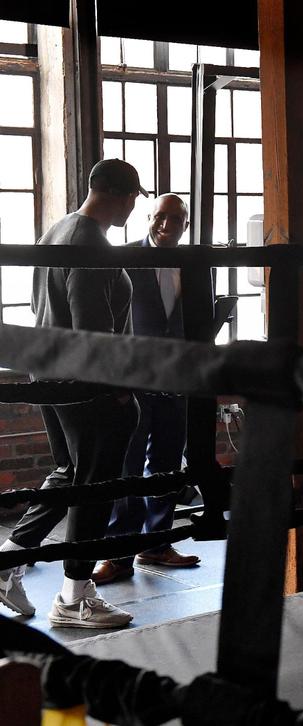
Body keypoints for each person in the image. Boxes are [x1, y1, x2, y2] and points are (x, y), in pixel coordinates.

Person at [0, 159, 146, 628]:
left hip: (50, 374)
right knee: (95, 485)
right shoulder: (90, 242)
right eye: (133, 200)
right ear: (123, 196)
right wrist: (118, 389)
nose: (131, 210)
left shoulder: (58, 229)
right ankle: (74, 594)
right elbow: (91, 327)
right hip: (86, 383)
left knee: (69, 473)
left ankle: (7, 561)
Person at [92, 194, 200, 586]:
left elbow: (199, 320)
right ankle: (119, 555)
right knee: (128, 466)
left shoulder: (195, 263)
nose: (167, 224)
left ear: (186, 225)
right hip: (133, 382)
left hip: (177, 381)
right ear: (147, 219)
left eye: (176, 218)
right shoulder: (122, 258)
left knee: (169, 465)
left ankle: (157, 543)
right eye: (160, 216)